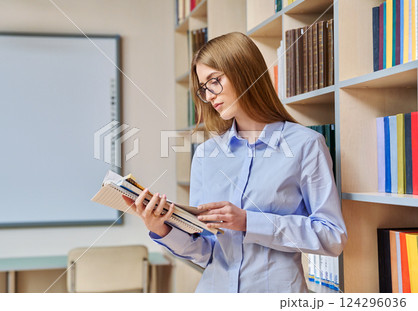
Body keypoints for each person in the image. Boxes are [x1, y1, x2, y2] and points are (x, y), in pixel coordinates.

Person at [122, 31, 347, 293]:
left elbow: (333, 237)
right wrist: (161, 229)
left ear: (244, 72)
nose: (208, 96)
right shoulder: (206, 156)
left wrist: (249, 222)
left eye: (214, 81)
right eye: (203, 88)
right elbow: (206, 252)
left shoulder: (306, 145)